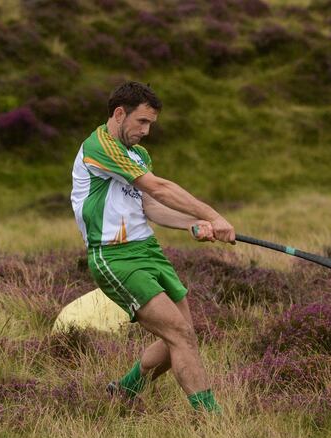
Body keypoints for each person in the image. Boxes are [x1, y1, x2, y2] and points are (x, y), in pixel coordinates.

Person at [70, 81, 235, 413]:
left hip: (147, 250)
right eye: (141, 122)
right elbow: (158, 187)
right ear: (119, 113)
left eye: (150, 124)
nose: (146, 131)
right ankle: (212, 420)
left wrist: (193, 225)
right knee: (179, 334)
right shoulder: (98, 146)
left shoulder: (137, 154)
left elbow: (150, 206)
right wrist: (212, 214)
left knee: (183, 333)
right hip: (113, 256)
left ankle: (125, 391)